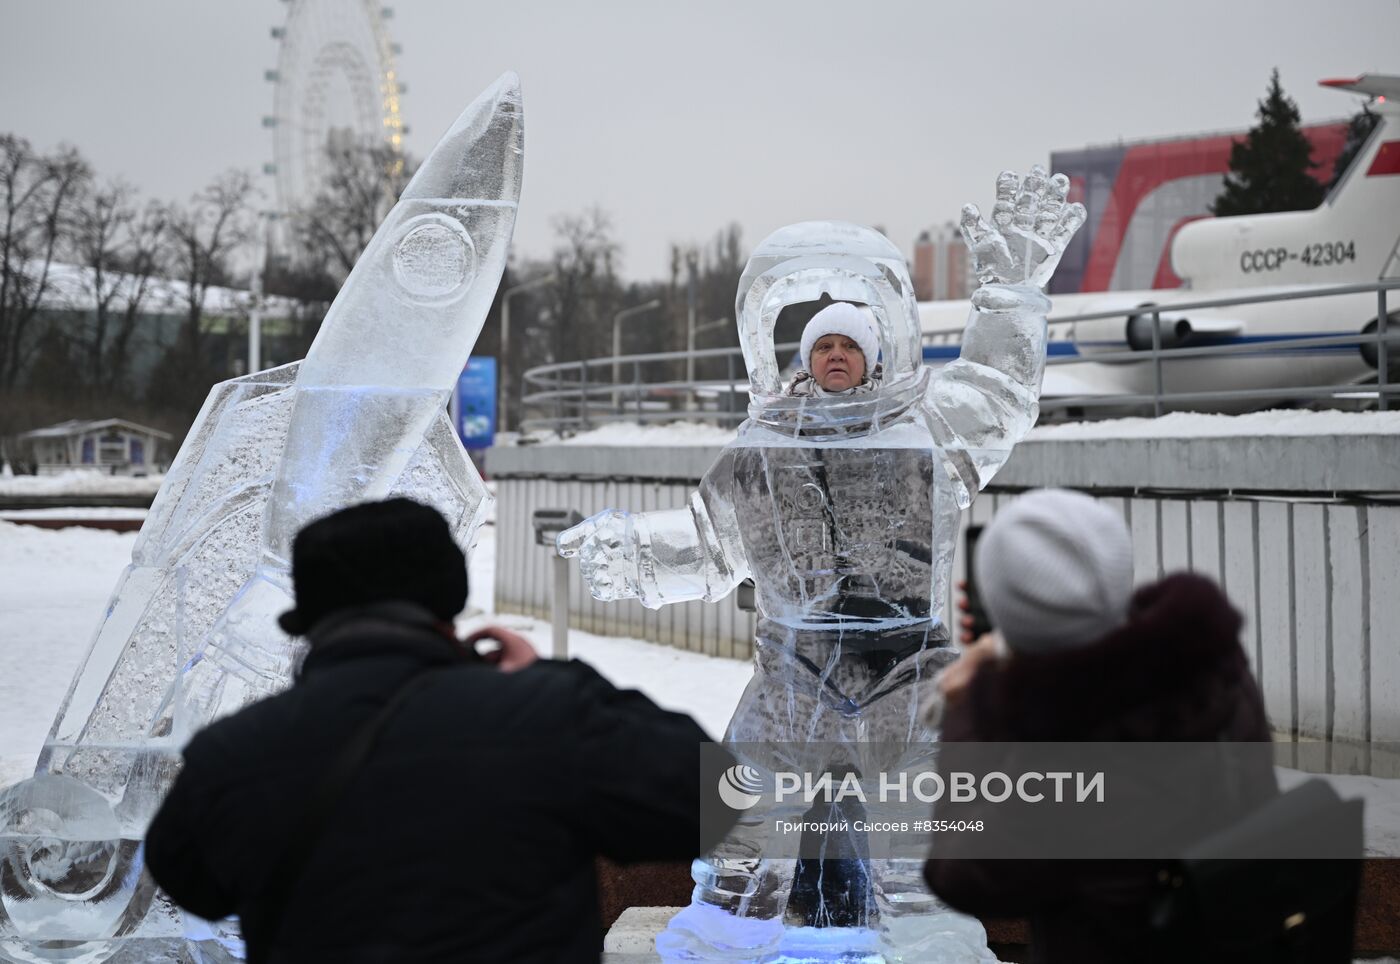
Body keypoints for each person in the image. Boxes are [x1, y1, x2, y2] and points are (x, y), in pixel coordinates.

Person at [559, 169, 1087, 961]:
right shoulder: (763, 448)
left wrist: (1012, 293)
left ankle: (926, 930)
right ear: (794, 354)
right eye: (823, 345)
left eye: (849, 344)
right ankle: (730, 923)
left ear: (879, 352)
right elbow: (712, 541)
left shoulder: (928, 434)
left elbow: (1000, 389)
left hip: (908, 666)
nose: (836, 357)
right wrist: (635, 553)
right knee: (746, 807)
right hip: (793, 668)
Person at [144, 497, 732, 964]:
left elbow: (190, 880)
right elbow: (717, 798)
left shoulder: (233, 753)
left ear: (310, 616)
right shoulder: (546, 716)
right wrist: (551, 680)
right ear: (447, 597)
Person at [922, 489, 1278, 964]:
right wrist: (1021, 654)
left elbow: (960, 873)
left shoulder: (1058, 756)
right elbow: (1100, 659)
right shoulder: (1211, 668)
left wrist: (972, 704)